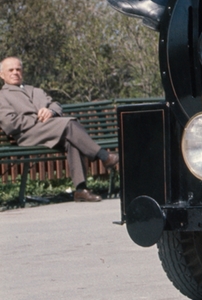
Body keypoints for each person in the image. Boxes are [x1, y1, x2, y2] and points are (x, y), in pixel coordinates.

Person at [0, 58, 117, 201]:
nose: (15, 73)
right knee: (69, 124)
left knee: (72, 140)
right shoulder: (2, 96)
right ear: (2, 74)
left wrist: (51, 112)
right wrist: (37, 117)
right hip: (27, 135)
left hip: (51, 130)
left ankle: (81, 189)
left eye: (18, 69)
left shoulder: (35, 90)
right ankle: (104, 156)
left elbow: (55, 104)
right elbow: (10, 124)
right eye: (10, 70)